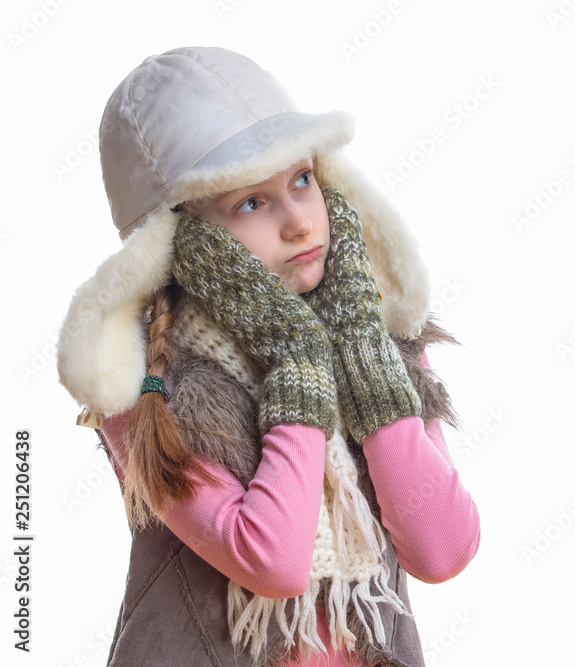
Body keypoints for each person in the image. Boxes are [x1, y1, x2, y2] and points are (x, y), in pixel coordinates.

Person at [55, 46, 480, 667]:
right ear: (181, 240)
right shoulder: (146, 391)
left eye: (302, 181)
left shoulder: (381, 344)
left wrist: (362, 353)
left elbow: (441, 549)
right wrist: (298, 363)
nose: (301, 224)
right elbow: (272, 561)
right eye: (250, 203)